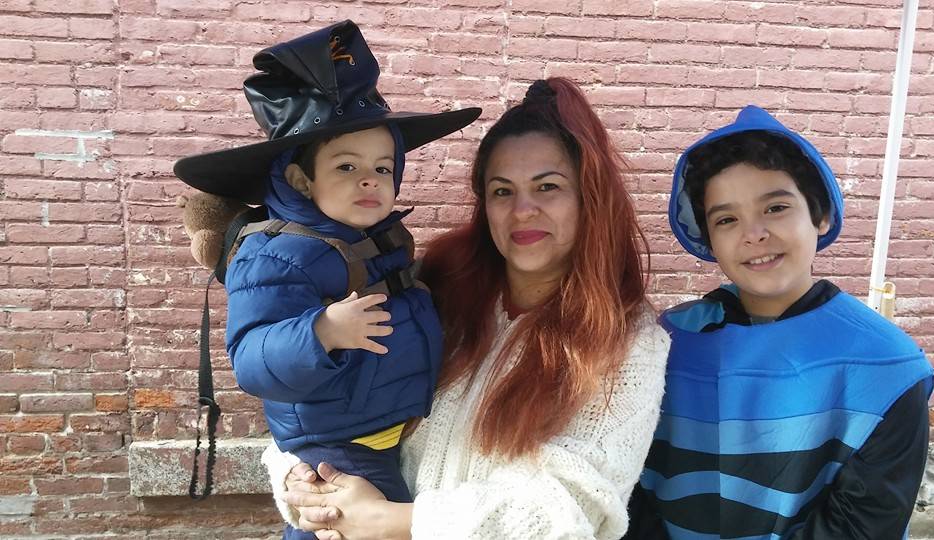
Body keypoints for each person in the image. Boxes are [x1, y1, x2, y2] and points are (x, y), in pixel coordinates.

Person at [260, 77, 670, 540]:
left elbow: (577, 501)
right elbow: (313, 399)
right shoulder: (431, 290)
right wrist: (301, 483)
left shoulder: (627, 339)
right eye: (502, 191)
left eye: (548, 186)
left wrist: (392, 522)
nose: (523, 210)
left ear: (588, 197)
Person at [171, 21, 480, 539]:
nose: (370, 179)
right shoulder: (278, 256)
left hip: (385, 430)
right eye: (345, 167)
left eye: (383, 168)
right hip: (341, 446)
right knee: (349, 526)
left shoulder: (373, 238)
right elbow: (251, 359)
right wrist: (322, 332)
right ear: (300, 179)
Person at [625, 105, 934, 539]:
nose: (754, 233)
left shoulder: (887, 366)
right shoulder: (664, 342)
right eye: (727, 219)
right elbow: (628, 486)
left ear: (821, 215)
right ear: (710, 241)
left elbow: (862, 525)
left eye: (775, 207)